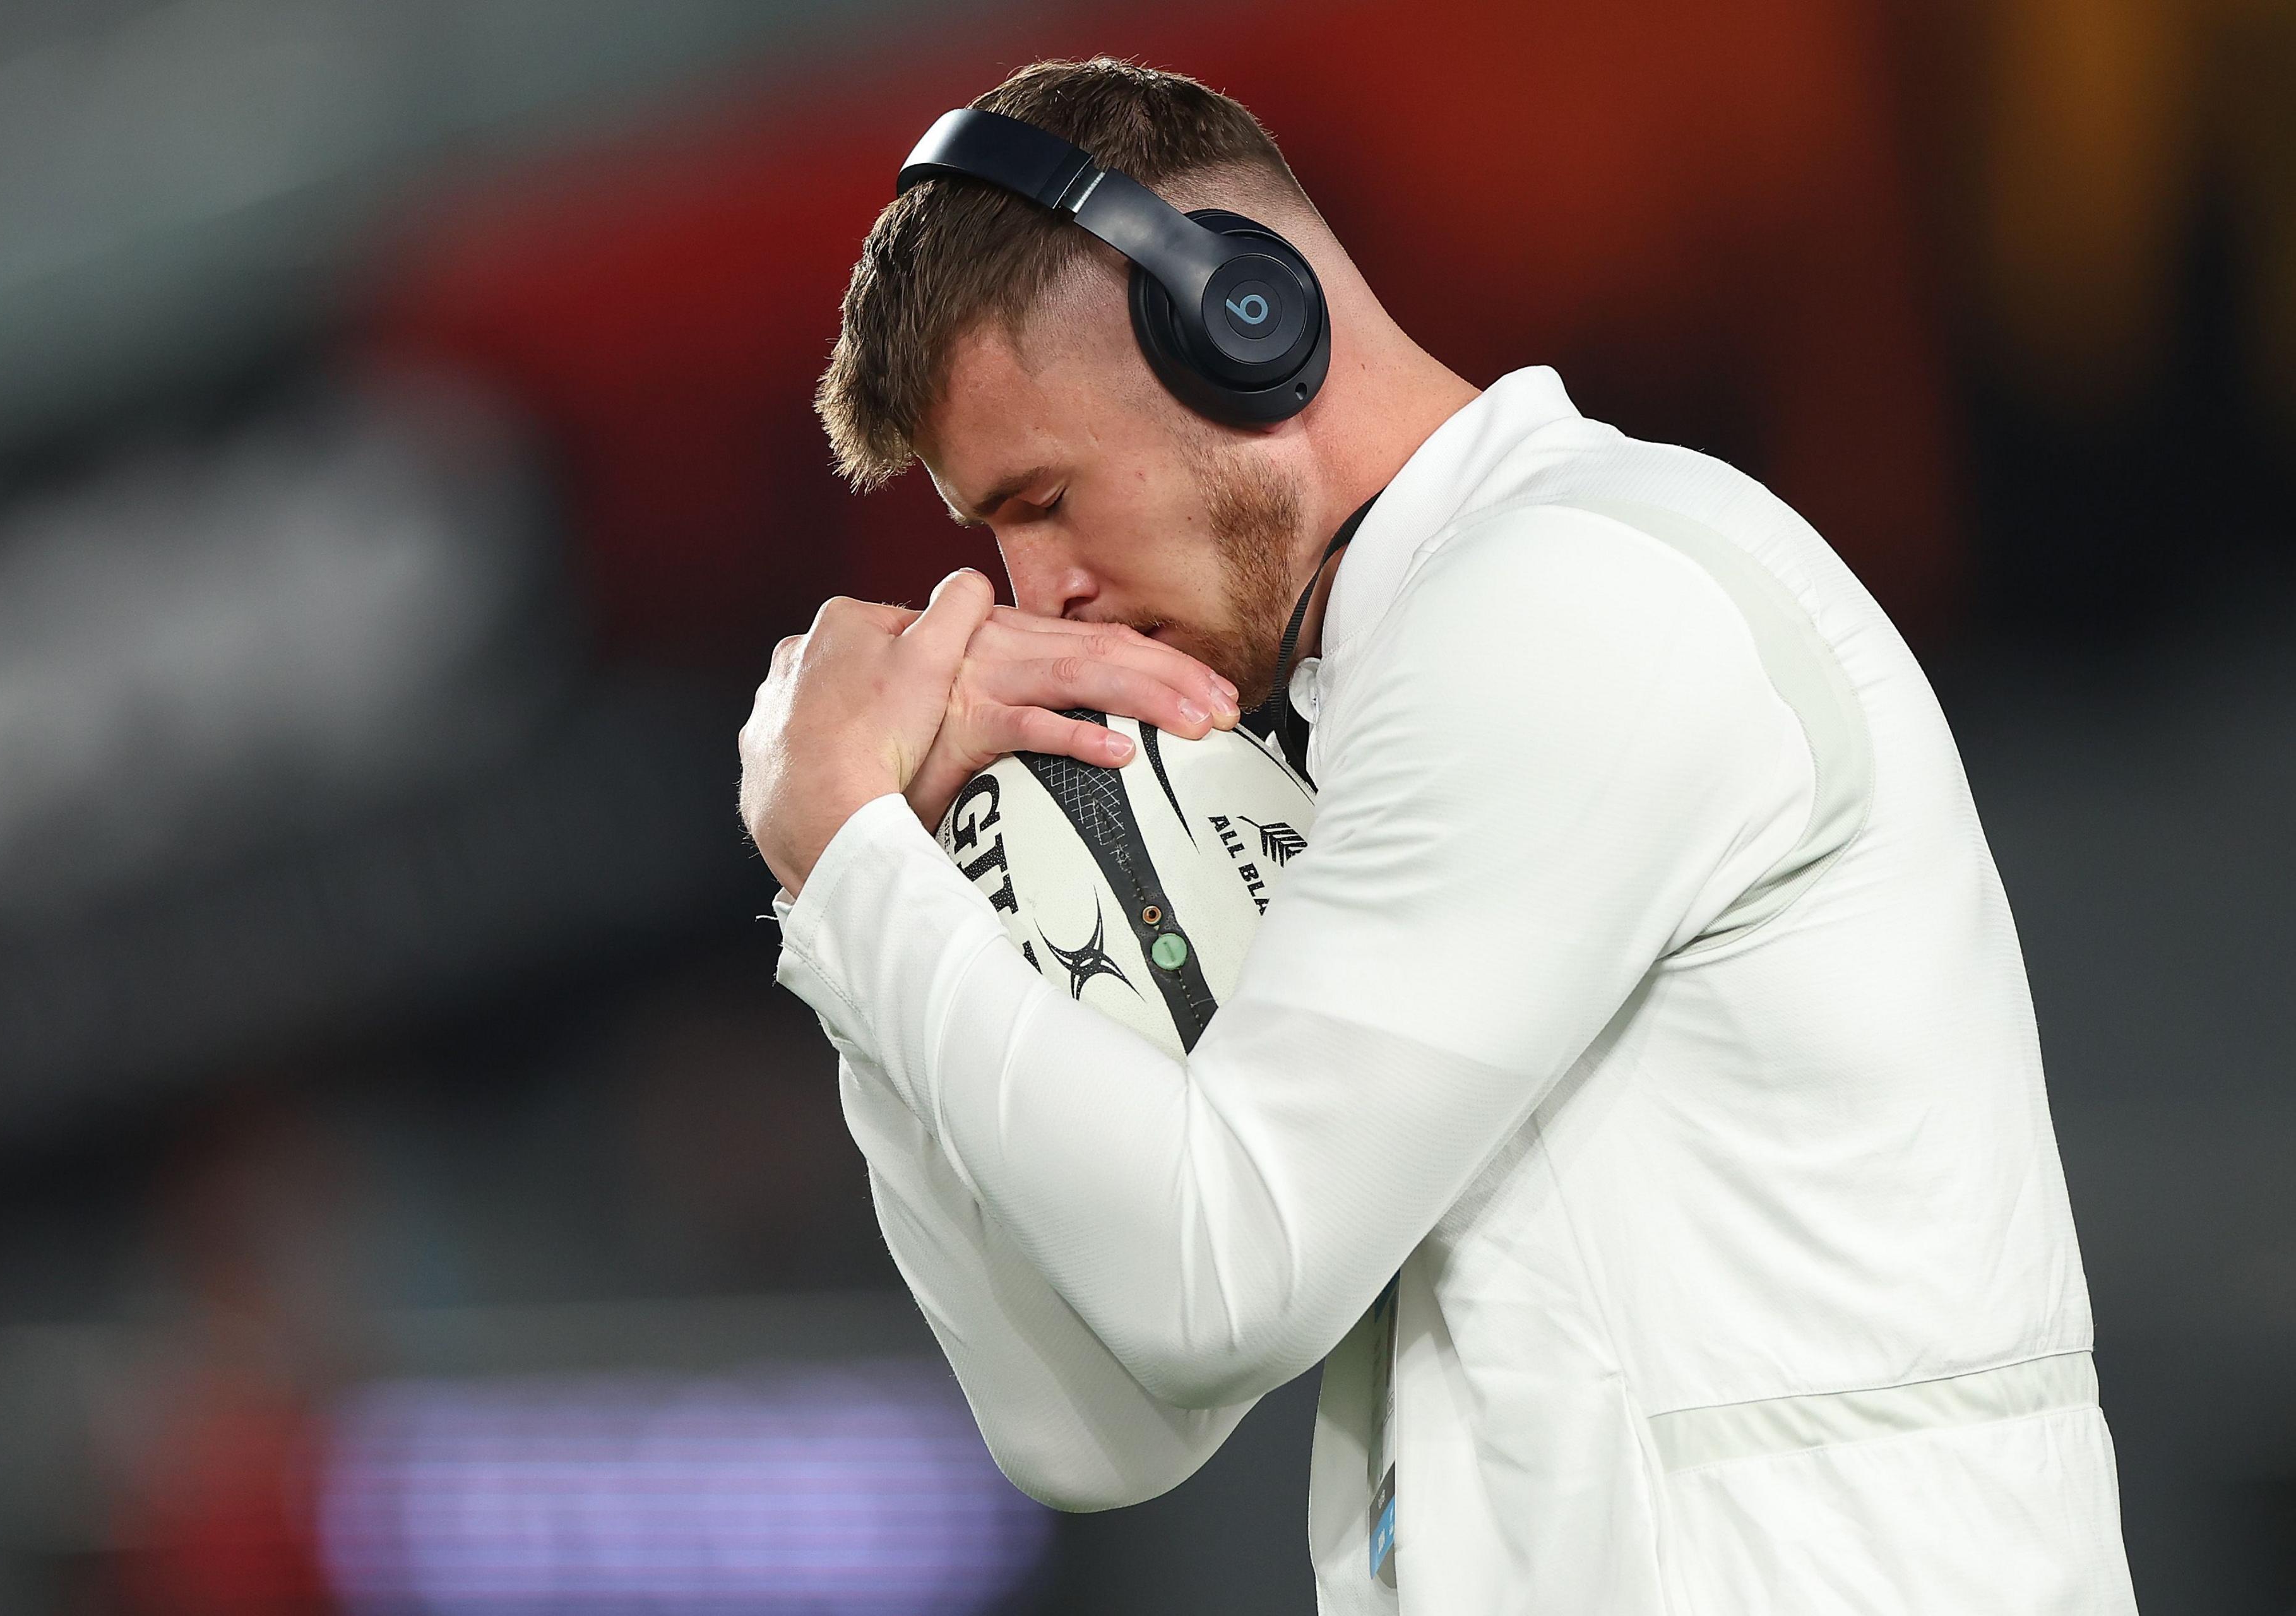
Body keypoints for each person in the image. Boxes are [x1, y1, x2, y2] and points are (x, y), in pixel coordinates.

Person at [738, 57, 2136, 1614]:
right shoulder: (1392, 693)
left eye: (1046, 496)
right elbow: (1095, 1428)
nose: (1033, 587)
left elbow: (1223, 1282)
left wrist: (849, 844)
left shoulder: (1577, 597)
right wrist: (870, 893)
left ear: (1240, 330)